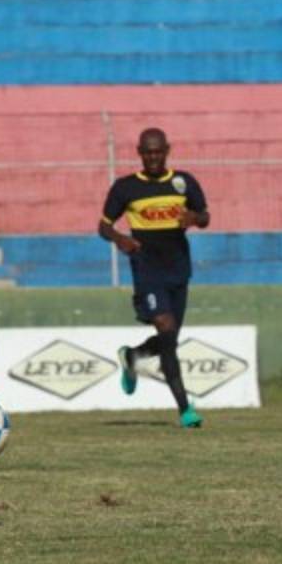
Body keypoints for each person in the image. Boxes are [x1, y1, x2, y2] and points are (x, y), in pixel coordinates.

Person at [99, 128, 209, 428]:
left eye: (158, 151)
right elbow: (104, 225)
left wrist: (195, 219)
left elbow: (205, 215)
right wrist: (120, 239)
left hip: (178, 270)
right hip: (147, 271)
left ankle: (133, 356)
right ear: (139, 152)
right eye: (147, 152)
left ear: (167, 150)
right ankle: (186, 409)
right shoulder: (126, 188)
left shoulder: (183, 182)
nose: (153, 157)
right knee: (166, 326)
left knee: (169, 338)